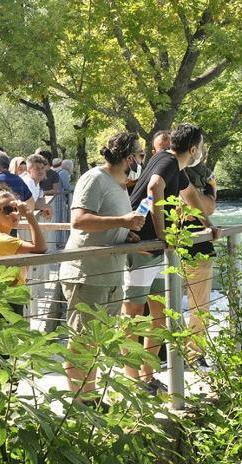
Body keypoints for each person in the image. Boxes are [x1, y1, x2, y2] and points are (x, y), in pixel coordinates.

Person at [121, 123, 220, 393]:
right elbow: (154, 187)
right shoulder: (166, 161)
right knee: (133, 313)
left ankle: (147, 375)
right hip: (141, 246)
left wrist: (208, 224)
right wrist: (163, 234)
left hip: (153, 250)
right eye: (199, 146)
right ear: (192, 148)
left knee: (158, 314)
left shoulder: (177, 168)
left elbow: (191, 197)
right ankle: (132, 378)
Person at [59, 132, 145, 407]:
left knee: (96, 342)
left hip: (110, 273)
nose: (141, 160)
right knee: (82, 341)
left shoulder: (120, 185)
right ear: (127, 156)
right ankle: (79, 402)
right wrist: (122, 220)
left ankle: (90, 397)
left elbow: (107, 224)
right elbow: (80, 220)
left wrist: (124, 233)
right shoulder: (94, 178)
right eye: (140, 155)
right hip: (86, 273)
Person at [0, 184, 47, 328]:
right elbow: (41, 247)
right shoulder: (3, 240)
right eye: (7, 210)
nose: (15, 214)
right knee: (6, 348)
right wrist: (30, 215)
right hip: (7, 301)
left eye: (16, 209)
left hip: (4, 299)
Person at [181, 143, 217, 364]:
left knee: (200, 304)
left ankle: (194, 353)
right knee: (162, 303)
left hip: (199, 243)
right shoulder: (157, 174)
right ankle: (171, 351)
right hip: (164, 245)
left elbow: (209, 207)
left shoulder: (203, 173)